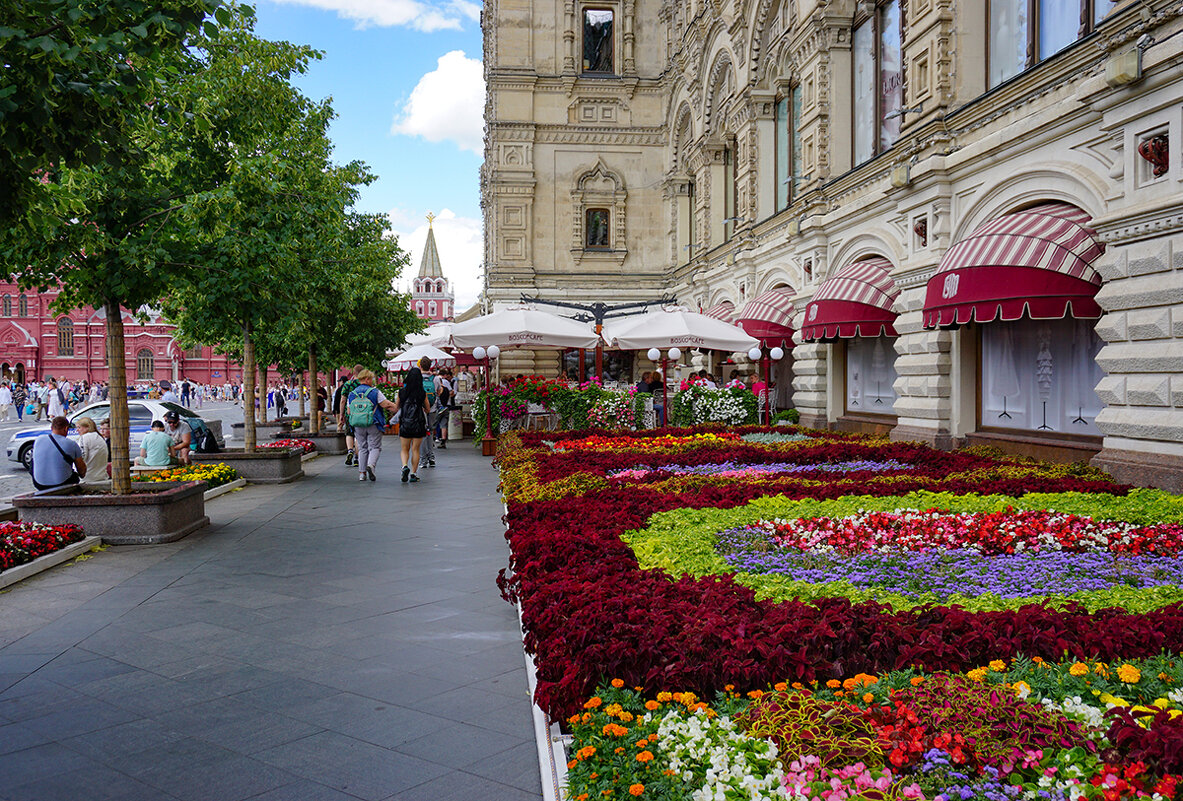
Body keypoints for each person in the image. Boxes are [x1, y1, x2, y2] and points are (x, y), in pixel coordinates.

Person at [346, 369, 397, 482]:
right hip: (373, 422)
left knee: (362, 447)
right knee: (375, 447)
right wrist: (398, 408)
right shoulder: (375, 392)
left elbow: (349, 412)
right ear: (367, 379)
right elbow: (386, 405)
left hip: (358, 424)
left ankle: (362, 474)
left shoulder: (352, 394)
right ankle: (371, 465)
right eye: (371, 379)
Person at [392, 367, 429, 483]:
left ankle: (404, 466)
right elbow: (427, 409)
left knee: (404, 449)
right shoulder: (422, 393)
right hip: (418, 424)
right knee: (416, 449)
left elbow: (396, 407)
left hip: (405, 424)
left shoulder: (402, 392)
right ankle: (413, 473)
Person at [30, 416, 86, 491]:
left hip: (39, 484)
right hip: (62, 484)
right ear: (66, 428)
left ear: (51, 428)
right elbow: (82, 472)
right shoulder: (72, 444)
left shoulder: (39, 439)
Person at [337, 365, 364, 467]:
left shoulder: (348, 384)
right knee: (358, 435)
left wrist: (341, 414)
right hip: (362, 413)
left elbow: (343, 400)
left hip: (349, 413)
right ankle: (357, 458)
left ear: (354, 373)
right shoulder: (364, 384)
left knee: (349, 433)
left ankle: (349, 451)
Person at [74, 417, 109, 485]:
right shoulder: (100, 437)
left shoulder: (84, 438)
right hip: (102, 476)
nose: (77, 430)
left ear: (87, 427)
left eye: (79, 427)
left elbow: (82, 457)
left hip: (87, 478)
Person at [418, 357, 439, 468]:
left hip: (420, 409)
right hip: (432, 408)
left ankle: (423, 459)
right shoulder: (435, 378)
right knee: (430, 432)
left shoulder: (417, 378)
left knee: (422, 433)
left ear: (420, 366)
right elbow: (439, 391)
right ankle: (431, 457)